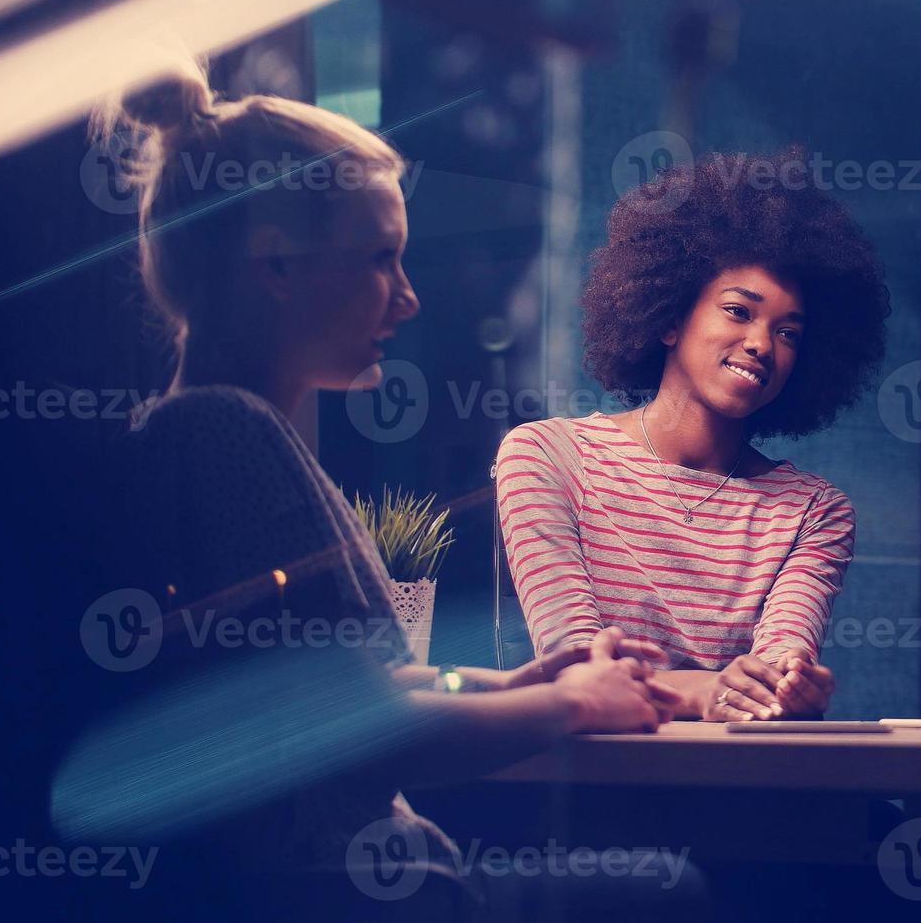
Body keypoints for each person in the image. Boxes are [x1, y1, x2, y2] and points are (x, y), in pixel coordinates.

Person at [68, 60, 691, 921]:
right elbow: (355, 740)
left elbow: (346, 694)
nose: (407, 298)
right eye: (380, 259)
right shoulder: (224, 437)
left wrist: (516, 685)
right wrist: (571, 702)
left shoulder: (225, 434)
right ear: (276, 264)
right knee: (670, 888)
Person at [497, 149, 890, 722]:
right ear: (669, 317)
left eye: (788, 333)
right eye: (738, 311)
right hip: (596, 790)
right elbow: (575, 670)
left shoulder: (813, 511)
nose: (762, 343)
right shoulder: (547, 458)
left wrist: (788, 688)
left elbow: (778, 671)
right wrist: (711, 692)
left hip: (745, 790)